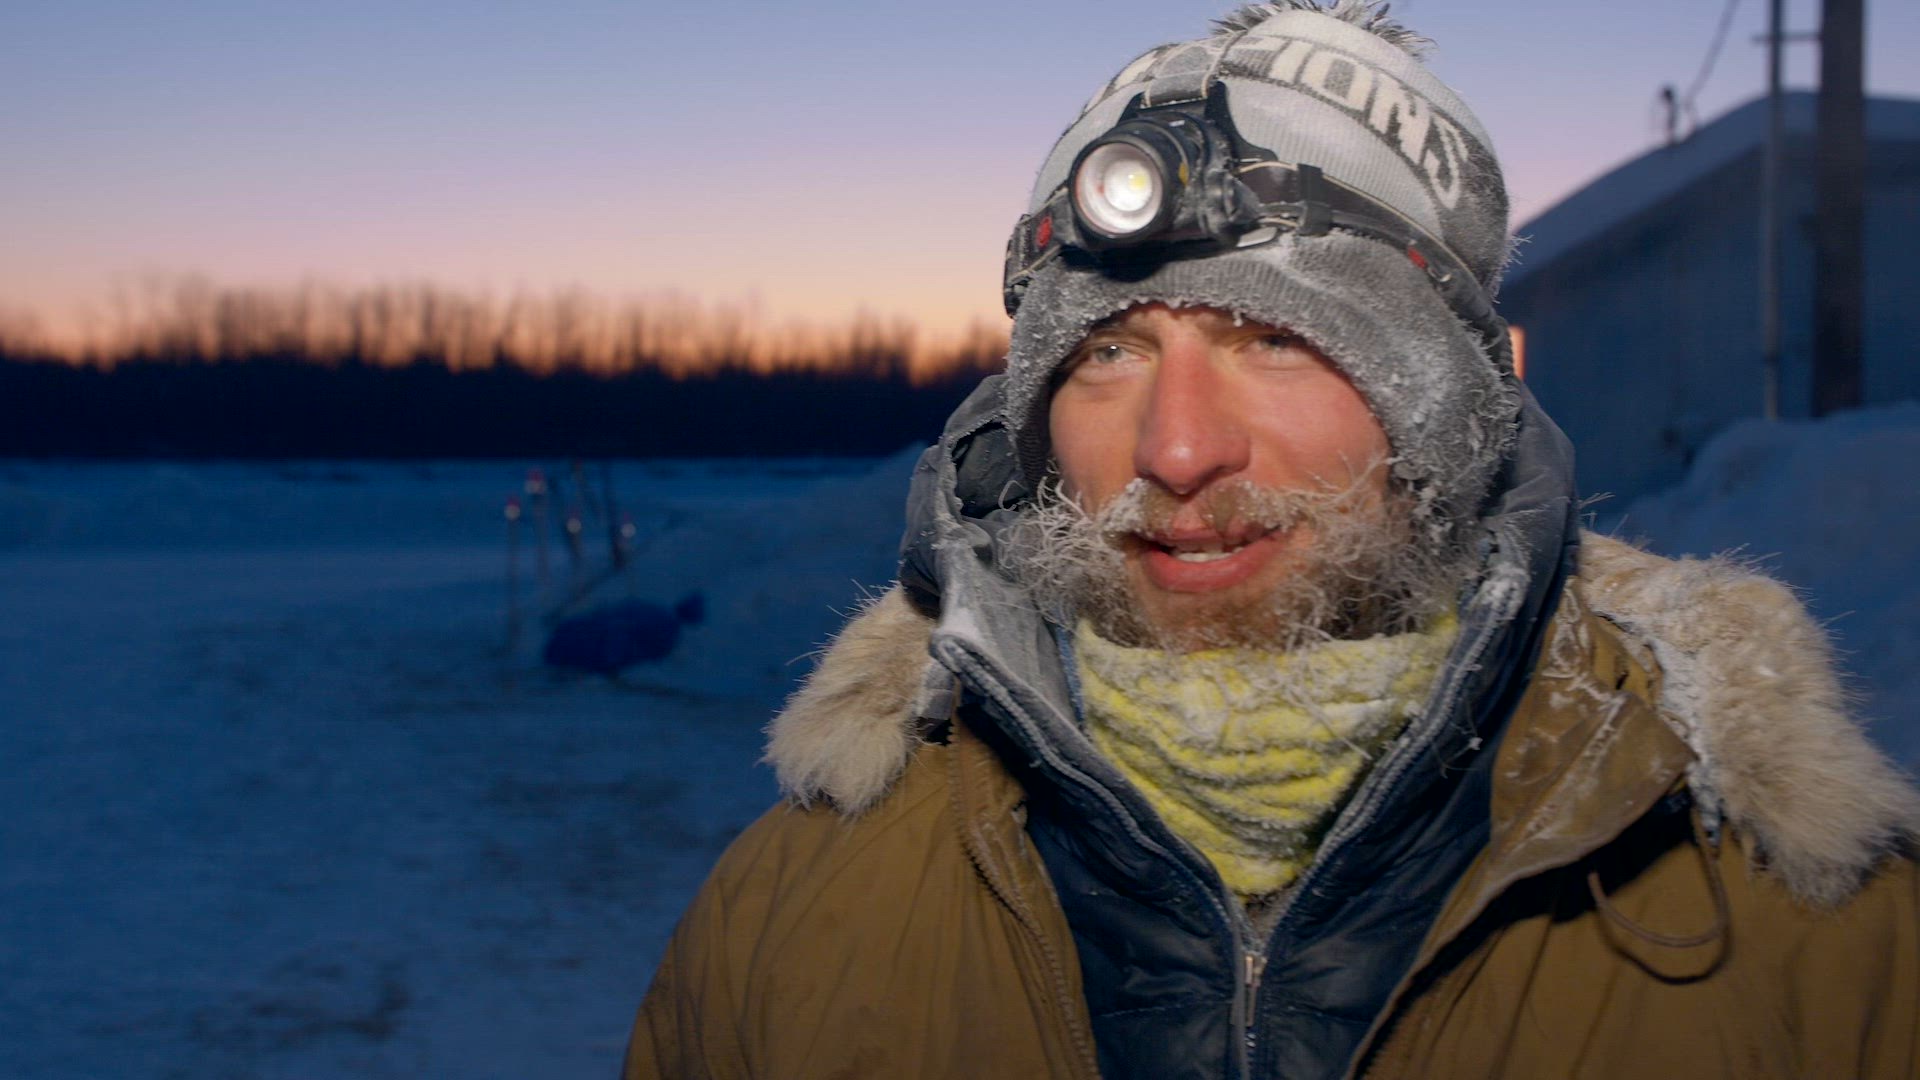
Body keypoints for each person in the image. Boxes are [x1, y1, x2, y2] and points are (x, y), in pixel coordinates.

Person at [626, 3, 1920, 1077]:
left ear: (1445, 415)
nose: (1179, 448)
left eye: (1276, 342)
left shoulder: (1815, 941)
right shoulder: (798, 913)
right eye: (1111, 353)